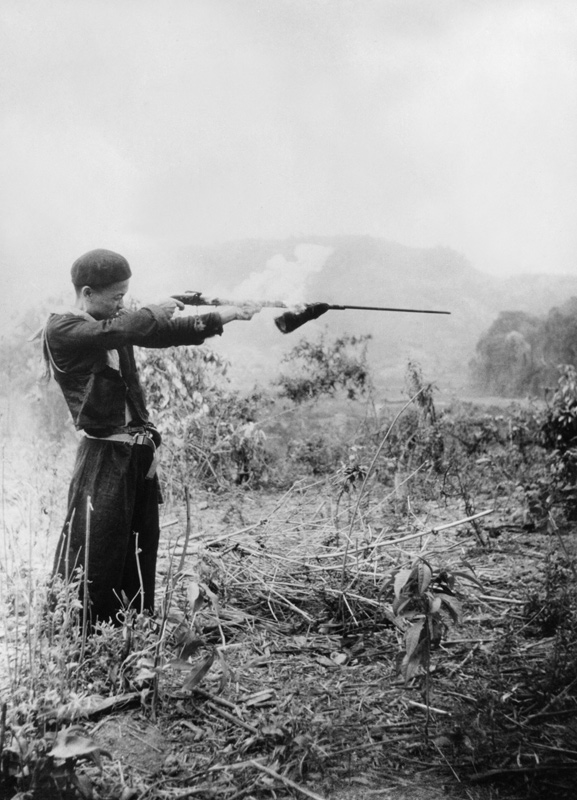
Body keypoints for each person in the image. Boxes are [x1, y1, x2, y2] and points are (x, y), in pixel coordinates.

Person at [43, 248, 259, 624]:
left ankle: (132, 630)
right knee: (95, 551)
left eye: (125, 296)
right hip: (103, 458)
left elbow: (159, 332)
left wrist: (227, 314)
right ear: (88, 292)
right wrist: (158, 307)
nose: (121, 304)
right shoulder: (64, 328)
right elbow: (128, 327)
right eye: (116, 297)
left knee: (139, 549)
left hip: (137, 456)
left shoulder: (110, 324)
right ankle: (79, 632)